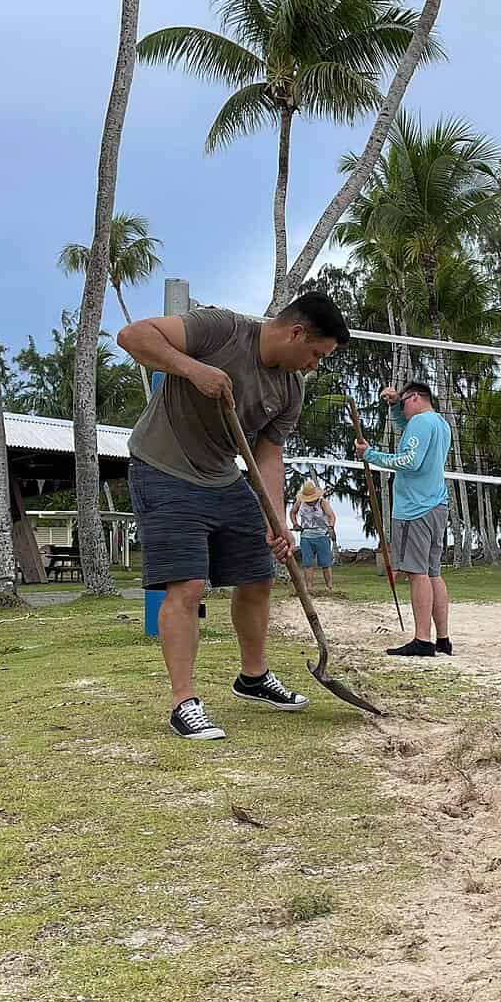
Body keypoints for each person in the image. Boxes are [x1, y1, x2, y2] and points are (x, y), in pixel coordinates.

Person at [117, 292, 351, 740]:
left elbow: (268, 455)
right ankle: (183, 701)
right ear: (296, 333)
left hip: (222, 478)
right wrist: (192, 368)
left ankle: (253, 676)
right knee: (186, 584)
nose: (314, 365)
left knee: (259, 574)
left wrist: (274, 518)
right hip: (164, 468)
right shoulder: (221, 329)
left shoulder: (289, 388)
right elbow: (133, 336)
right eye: (315, 354)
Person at [357, 380, 454, 658]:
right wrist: (393, 406)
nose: (401, 409)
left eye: (403, 403)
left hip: (415, 509)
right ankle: (442, 639)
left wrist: (370, 455)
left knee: (417, 573)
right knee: (433, 572)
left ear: (414, 398)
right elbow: (408, 434)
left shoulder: (421, 423)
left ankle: (423, 640)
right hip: (436, 505)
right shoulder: (440, 424)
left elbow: (410, 460)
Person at [289, 477, 338, 594]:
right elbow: (292, 512)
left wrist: (331, 527)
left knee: (326, 563)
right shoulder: (300, 502)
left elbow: (331, 516)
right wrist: (295, 523)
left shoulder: (322, 502)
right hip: (306, 536)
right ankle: (309, 588)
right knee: (307, 563)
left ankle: (329, 587)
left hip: (322, 535)